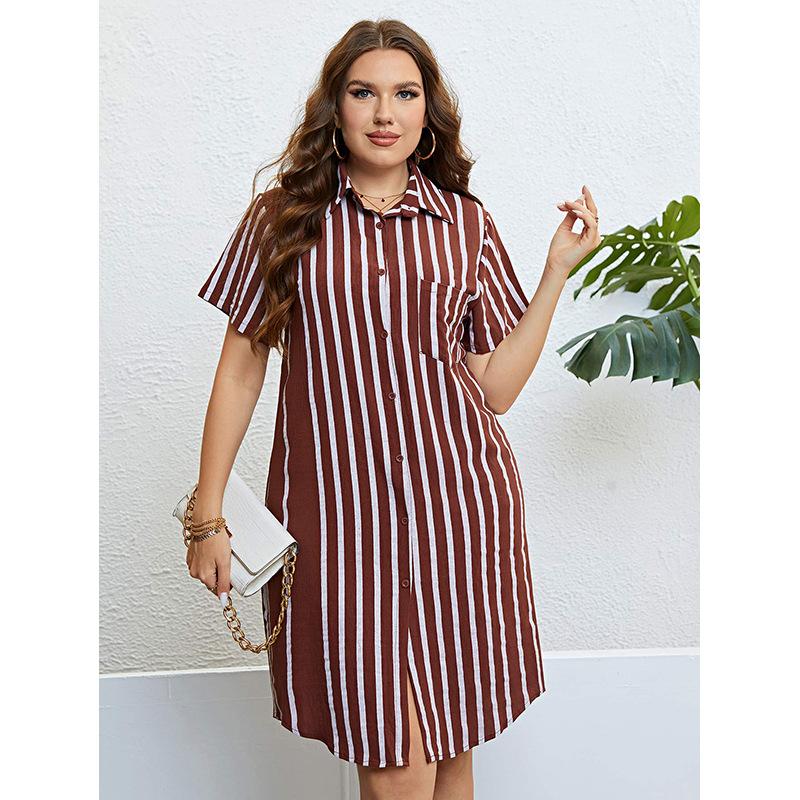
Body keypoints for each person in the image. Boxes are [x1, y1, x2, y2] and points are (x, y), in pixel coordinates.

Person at [186, 17, 600, 800]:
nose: (385, 113)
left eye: (405, 94)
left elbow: (494, 388)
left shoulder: (465, 224)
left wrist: (554, 274)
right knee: (394, 760)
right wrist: (207, 516)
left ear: (427, 110)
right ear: (335, 106)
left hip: (460, 511)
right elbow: (241, 371)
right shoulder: (283, 219)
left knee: (451, 748)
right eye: (364, 92)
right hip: (337, 523)